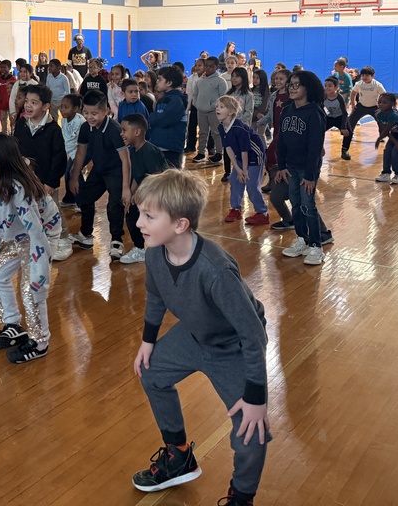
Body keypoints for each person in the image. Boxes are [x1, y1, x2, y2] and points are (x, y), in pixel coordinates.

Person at [130, 168, 268, 506]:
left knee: (251, 434)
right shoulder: (154, 253)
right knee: (151, 373)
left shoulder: (215, 270)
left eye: (149, 216)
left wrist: (256, 398)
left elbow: (253, 335)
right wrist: (149, 340)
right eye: (140, 213)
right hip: (194, 335)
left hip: (232, 346)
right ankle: (179, 456)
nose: (138, 223)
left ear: (180, 224)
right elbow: (156, 296)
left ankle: (241, 498)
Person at [0, 133, 63, 363]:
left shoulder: (18, 189)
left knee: (30, 288)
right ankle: (13, 324)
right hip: (19, 236)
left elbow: (37, 233)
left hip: (41, 233)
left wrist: (38, 273)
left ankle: (40, 341)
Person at [67, 89, 132, 260]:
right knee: (85, 197)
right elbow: (81, 153)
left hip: (115, 172)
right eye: (86, 112)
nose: (90, 117)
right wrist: (74, 176)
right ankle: (86, 235)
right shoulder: (85, 128)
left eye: (94, 113)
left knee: (114, 205)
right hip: (99, 170)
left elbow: (126, 160)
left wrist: (126, 188)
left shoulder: (114, 130)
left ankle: (117, 240)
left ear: (106, 111)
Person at [277, 71, 330, 266]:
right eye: (291, 84)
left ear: (308, 88)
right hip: (291, 167)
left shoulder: (314, 112)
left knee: (308, 205)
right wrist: (281, 165)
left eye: (297, 85)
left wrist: (310, 175)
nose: (292, 87)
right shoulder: (287, 110)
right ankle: (302, 239)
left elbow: (315, 147)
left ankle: (316, 245)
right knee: (296, 204)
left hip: (307, 169)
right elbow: (281, 140)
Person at [118, 113, 168, 265]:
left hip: (159, 194)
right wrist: (130, 195)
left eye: (124, 130)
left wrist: (139, 195)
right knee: (130, 211)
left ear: (137, 132)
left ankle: (147, 249)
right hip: (146, 193)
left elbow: (156, 177)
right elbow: (138, 176)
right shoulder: (134, 151)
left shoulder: (149, 151)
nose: (122, 134)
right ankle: (140, 248)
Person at [13, 84, 67, 217]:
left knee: (51, 213)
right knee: (26, 211)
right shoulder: (21, 124)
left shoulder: (53, 130)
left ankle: (62, 236)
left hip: (46, 182)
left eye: (34, 103)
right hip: (25, 179)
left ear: (45, 107)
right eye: (26, 101)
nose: (28, 106)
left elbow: (59, 159)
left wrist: (51, 183)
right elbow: (15, 149)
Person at [215, 95, 268, 226]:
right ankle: (236, 209)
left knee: (251, 185)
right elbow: (228, 149)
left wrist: (244, 170)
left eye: (222, 107)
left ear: (231, 112)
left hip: (254, 156)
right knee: (235, 181)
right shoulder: (222, 127)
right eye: (217, 106)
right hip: (240, 157)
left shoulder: (239, 128)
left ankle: (263, 213)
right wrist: (238, 169)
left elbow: (245, 151)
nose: (217, 109)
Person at [257, 68, 293, 229]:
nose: (277, 81)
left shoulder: (292, 98)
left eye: (281, 78)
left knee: (272, 155)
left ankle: (279, 182)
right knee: (270, 156)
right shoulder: (274, 95)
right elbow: (271, 114)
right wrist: (262, 121)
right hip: (277, 132)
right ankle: (275, 181)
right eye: (275, 78)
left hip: (286, 135)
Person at [147, 65, 188, 169]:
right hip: (160, 146)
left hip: (171, 148)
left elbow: (164, 120)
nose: (157, 82)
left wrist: (151, 117)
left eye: (160, 79)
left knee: (171, 181)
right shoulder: (163, 99)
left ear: (169, 83)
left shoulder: (176, 100)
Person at [191, 57, 227, 166]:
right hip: (201, 111)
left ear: (217, 67)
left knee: (216, 132)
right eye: (207, 65)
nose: (208, 68)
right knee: (202, 132)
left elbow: (223, 97)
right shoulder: (200, 81)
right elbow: (195, 94)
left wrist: (213, 106)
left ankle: (219, 153)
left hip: (214, 112)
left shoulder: (220, 81)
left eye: (211, 66)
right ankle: (201, 152)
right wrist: (197, 104)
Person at [58, 93, 85, 209]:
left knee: (75, 173)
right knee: (67, 173)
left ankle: (83, 202)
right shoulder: (64, 121)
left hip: (81, 153)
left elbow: (79, 143)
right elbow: (66, 139)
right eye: (61, 107)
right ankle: (70, 199)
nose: (62, 110)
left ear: (75, 109)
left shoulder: (80, 122)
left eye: (66, 107)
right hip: (72, 152)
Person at [347, 66, 386, 137]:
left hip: (374, 106)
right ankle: (349, 134)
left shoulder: (377, 85)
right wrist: (353, 104)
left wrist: (381, 106)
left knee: (381, 121)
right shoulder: (359, 84)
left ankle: (382, 136)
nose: (364, 77)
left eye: (367, 75)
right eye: (362, 75)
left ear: (373, 76)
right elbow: (353, 93)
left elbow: (384, 95)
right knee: (351, 120)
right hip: (361, 105)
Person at [323, 76, 353, 161]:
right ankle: (318, 149)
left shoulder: (339, 98)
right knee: (317, 130)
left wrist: (343, 127)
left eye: (330, 86)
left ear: (336, 87)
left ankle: (345, 151)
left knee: (349, 133)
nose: (327, 88)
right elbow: (321, 109)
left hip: (340, 117)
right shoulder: (323, 96)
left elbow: (344, 112)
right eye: (325, 85)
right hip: (330, 117)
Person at [251, 69, 270, 141]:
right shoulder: (251, 90)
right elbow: (250, 104)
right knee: (252, 134)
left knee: (260, 135)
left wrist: (260, 113)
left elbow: (265, 105)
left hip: (262, 116)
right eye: (253, 77)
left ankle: (264, 150)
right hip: (253, 116)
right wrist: (255, 113)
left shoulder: (265, 90)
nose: (255, 80)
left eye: (257, 78)